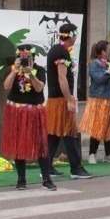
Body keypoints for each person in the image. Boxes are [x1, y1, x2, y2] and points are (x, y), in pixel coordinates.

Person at [1, 45, 54, 190]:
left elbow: (39, 88)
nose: (26, 59)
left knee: (41, 145)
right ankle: (21, 179)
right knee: (19, 144)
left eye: (28, 56)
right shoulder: (14, 69)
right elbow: (6, 86)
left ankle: (46, 179)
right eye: (23, 57)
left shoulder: (40, 70)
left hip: (34, 111)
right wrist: (15, 71)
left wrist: (30, 74)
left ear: (33, 57)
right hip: (17, 111)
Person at [44, 24, 91, 179]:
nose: (76, 38)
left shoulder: (56, 49)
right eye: (75, 35)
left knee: (55, 134)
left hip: (55, 99)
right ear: (71, 35)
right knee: (69, 133)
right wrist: (69, 100)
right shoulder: (61, 52)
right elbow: (62, 77)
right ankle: (76, 168)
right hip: (60, 100)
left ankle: (46, 167)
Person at [84, 39, 110, 165]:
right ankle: (92, 153)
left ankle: (109, 154)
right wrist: (109, 71)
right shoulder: (94, 64)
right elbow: (98, 79)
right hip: (100, 99)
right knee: (98, 127)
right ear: (103, 51)